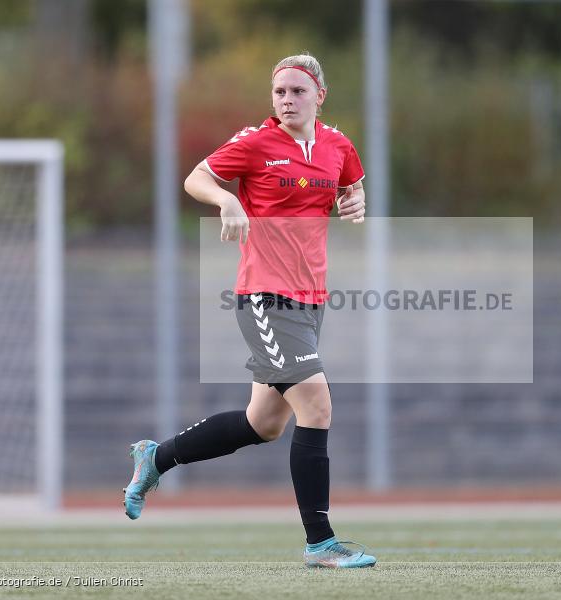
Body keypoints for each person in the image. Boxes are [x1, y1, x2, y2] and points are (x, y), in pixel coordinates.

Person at [123, 53, 374, 569]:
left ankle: (156, 457)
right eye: (279, 91)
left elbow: (352, 186)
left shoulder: (337, 144)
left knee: (263, 423)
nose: (287, 100)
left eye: (298, 91)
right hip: (265, 296)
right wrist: (227, 201)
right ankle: (320, 543)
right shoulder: (256, 142)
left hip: (311, 301)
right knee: (317, 406)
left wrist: (356, 201)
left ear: (320, 96)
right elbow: (197, 178)